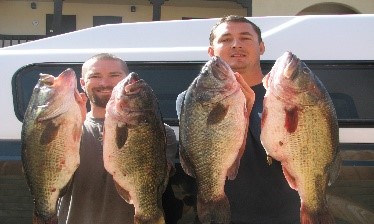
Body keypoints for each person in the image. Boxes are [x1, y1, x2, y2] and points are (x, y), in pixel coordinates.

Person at [57, 53, 181, 223]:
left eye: (114, 75)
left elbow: (156, 183)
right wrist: (73, 127)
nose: (105, 83)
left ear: (125, 80)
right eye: (95, 76)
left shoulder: (162, 134)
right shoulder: (65, 131)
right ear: (82, 83)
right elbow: (55, 184)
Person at [206, 15, 301, 223]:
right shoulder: (195, 100)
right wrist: (242, 111)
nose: (236, 45)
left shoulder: (286, 97)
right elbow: (203, 159)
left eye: (245, 38)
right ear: (211, 52)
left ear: (261, 47)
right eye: (225, 39)